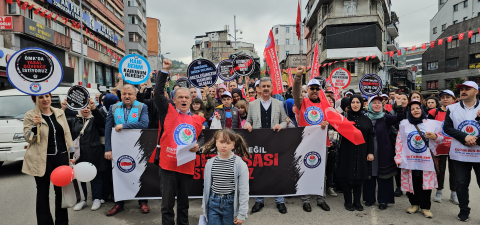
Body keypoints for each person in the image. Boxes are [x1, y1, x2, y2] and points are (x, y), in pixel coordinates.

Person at [154, 59, 205, 225]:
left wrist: (199, 146)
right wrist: (164, 71)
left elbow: (202, 138)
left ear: (191, 100)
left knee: (184, 205)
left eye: (186, 97)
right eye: (180, 97)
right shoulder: (166, 110)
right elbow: (158, 92)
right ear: (174, 100)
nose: (183, 100)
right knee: (167, 206)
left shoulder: (197, 119)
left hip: (186, 166)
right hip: (168, 166)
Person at [22, 93, 75, 225]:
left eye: (47, 96)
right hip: (41, 160)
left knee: (60, 193)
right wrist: (35, 126)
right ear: (35, 100)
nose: (45, 99)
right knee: (42, 193)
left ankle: (62, 222)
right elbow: (29, 138)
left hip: (61, 158)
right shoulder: (30, 115)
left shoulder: (59, 113)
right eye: (41, 97)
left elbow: (67, 134)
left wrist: (72, 155)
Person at [244, 77, 288, 214]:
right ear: (258, 88)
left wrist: (281, 125)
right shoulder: (252, 105)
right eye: (263, 86)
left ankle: (280, 201)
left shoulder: (279, 104)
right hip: (259, 143)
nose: (266, 89)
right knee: (259, 172)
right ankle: (259, 201)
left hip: (275, 142)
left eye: (268, 86)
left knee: (277, 171)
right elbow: (247, 121)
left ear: (272, 88)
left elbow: (285, 121)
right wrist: (247, 125)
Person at [105, 84, 150, 216]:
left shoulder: (142, 106)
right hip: (119, 148)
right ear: (120, 95)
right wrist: (108, 149)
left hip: (138, 147)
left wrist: (124, 126)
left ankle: (143, 201)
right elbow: (108, 129)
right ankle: (119, 203)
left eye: (130, 94)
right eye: (124, 94)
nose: (127, 96)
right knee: (119, 173)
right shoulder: (113, 108)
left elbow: (144, 124)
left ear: (135, 95)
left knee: (140, 173)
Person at [394, 100, 444, 219]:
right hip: (409, 160)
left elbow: (441, 139)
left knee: (425, 183)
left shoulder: (431, 124)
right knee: (413, 181)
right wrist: (398, 157)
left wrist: (435, 136)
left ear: (422, 110)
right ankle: (414, 204)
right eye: (412, 109)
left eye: (418, 108)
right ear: (409, 112)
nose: (415, 110)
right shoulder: (404, 124)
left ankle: (425, 207)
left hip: (426, 160)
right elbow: (399, 141)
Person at [292, 66, 330, 212]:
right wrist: (298, 76)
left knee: (322, 173)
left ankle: (321, 199)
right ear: (307, 90)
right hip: (306, 143)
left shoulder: (326, 104)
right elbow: (296, 91)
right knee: (306, 171)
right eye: (312, 88)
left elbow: (332, 121)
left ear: (320, 90)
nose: (314, 91)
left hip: (322, 143)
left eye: (317, 88)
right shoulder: (302, 103)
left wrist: (328, 124)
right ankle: (306, 200)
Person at [443, 81, 480, 222]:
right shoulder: (452, 108)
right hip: (460, 153)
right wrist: (465, 137)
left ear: (476, 91)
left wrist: (475, 140)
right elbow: (447, 128)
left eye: (467, 89)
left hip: (478, 153)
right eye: (462, 89)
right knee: (461, 184)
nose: (463, 91)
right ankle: (464, 210)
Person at [62, 98, 107, 211]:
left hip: (94, 153)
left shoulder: (94, 120)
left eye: (88, 107)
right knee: (79, 177)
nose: (86, 109)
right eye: (83, 107)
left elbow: (103, 122)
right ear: (78, 109)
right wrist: (63, 109)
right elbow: (60, 122)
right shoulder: (73, 120)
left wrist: (94, 108)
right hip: (78, 154)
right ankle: (82, 200)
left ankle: (97, 199)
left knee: (96, 176)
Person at [363, 96, 404, 210]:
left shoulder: (386, 117)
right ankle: (369, 198)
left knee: (384, 176)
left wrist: (399, 105)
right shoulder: (365, 117)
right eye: (374, 103)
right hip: (369, 150)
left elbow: (400, 117)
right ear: (370, 105)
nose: (377, 105)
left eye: (379, 103)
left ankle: (384, 200)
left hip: (384, 151)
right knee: (370, 175)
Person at [202, 129, 250, 225]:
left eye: (228, 143)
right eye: (221, 142)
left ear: (233, 145)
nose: (224, 145)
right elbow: (206, 188)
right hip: (213, 203)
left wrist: (242, 213)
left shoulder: (239, 164)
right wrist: (204, 207)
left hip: (230, 205)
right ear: (216, 143)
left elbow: (244, 190)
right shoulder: (210, 163)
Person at [337, 94, 374, 212]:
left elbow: (370, 138)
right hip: (347, 151)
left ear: (362, 104)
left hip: (362, 152)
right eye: (353, 102)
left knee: (359, 178)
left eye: (358, 102)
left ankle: (357, 202)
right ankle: (348, 202)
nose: (355, 105)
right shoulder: (344, 117)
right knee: (346, 177)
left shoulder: (367, 120)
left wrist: (370, 152)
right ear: (350, 104)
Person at [427, 90, 458, 205]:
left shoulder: (458, 112)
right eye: (443, 97)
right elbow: (428, 127)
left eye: (448, 97)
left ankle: (454, 193)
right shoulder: (433, 112)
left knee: (454, 170)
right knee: (440, 169)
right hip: (439, 146)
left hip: (455, 145)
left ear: (453, 98)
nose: (445, 99)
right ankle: (439, 191)